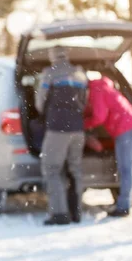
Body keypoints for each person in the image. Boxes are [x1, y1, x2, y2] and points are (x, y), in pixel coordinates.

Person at [35, 46, 88, 226]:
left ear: (52, 57)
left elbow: (40, 102)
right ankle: (76, 212)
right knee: (75, 169)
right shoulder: (80, 73)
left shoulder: (49, 74)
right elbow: (84, 101)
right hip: (78, 129)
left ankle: (60, 213)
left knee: (51, 168)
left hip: (58, 127)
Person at [84, 76, 132, 217]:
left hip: (127, 130)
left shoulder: (96, 91)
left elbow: (99, 117)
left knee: (125, 168)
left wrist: (83, 124)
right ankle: (123, 202)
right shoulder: (104, 88)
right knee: (127, 167)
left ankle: (123, 207)